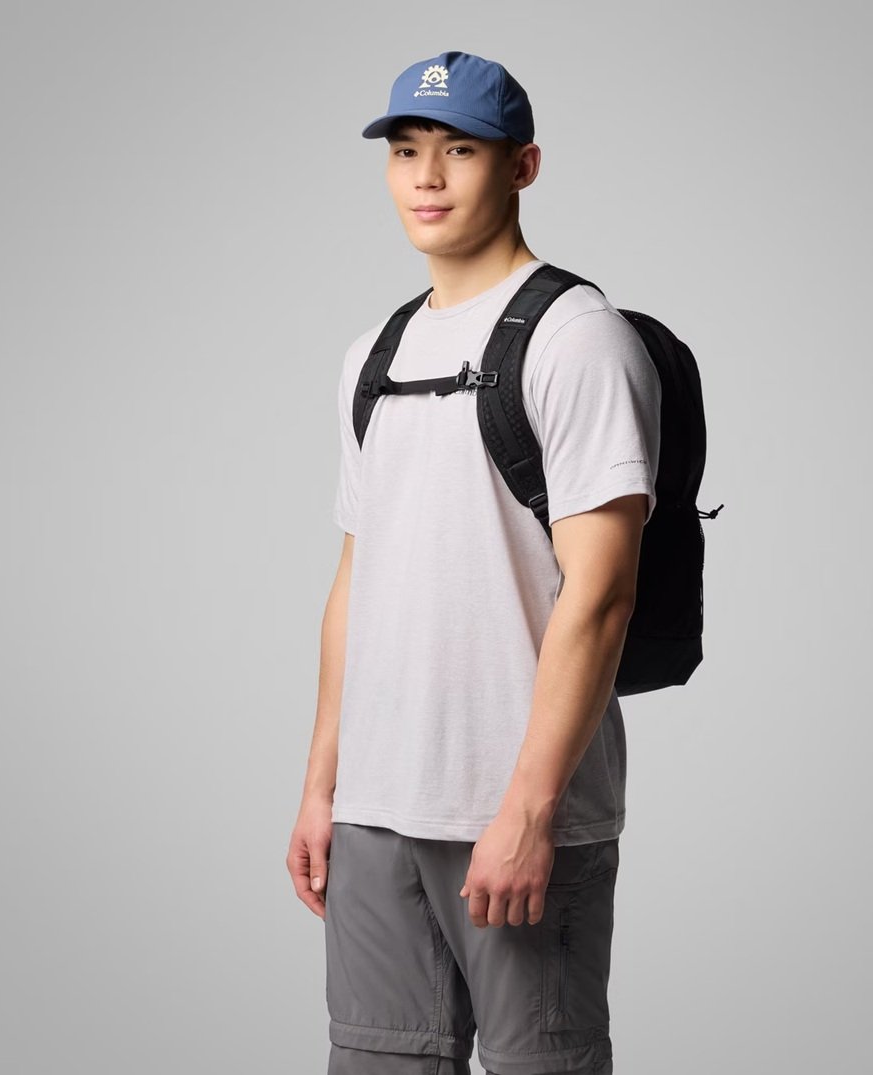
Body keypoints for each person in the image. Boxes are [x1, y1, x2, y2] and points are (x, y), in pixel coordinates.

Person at [287, 50, 662, 1075]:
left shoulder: (578, 339)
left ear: (522, 166)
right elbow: (356, 579)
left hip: (517, 811)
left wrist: (530, 811)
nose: (427, 176)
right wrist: (323, 786)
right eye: (406, 150)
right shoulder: (373, 355)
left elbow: (602, 595)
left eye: (459, 150)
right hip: (375, 813)